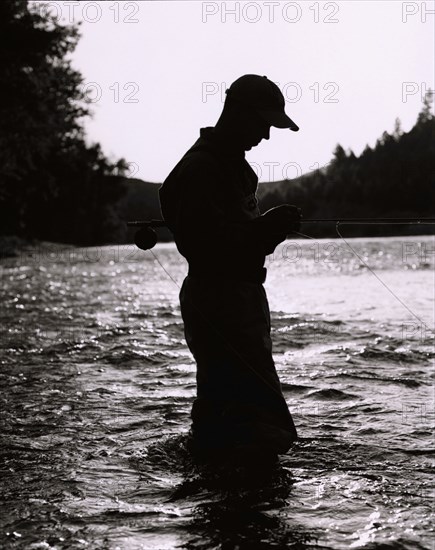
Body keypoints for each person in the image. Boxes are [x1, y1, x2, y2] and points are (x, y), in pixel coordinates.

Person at [159, 74, 302, 463]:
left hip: (236, 298)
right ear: (237, 112)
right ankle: (251, 510)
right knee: (261, 424)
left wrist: (267, 232)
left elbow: (237, 240)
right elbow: (209, 248)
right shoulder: (202, 170)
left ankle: (219, 500)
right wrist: (265, 229)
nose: (267, 137)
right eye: (264, 125)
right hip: (221, 302)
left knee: (223, 416)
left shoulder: (233, 168)